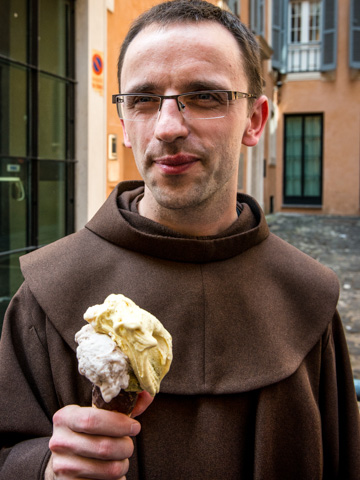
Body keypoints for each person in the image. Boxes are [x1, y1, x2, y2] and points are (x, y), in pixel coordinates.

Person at [0, 0, 359, 478]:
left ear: (255, 120)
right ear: (125, 123)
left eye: (206, 95)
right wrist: (44, 467)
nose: (167, 127)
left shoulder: (308, 299)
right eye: (143, 100)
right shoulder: (44, 295)